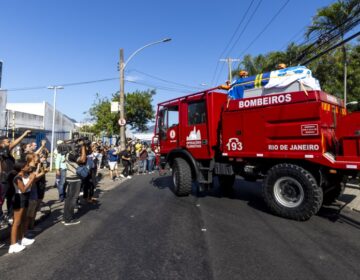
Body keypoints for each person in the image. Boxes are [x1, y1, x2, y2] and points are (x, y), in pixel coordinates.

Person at [0, 130, 31, 225]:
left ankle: (9, 216)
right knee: (1, 199)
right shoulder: (2, 151)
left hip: (11, 179)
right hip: (3, 180)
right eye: (7, 141)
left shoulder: (7, 153)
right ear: (1, 144)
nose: (9, 142)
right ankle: (1, 217)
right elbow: (13, 144)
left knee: (11, 198)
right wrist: (24, 134)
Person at [8, 160, 37, 253]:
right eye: (27, 165)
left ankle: (22, 239)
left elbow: (29, 186)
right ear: (22, 168)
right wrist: (32, 179)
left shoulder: (26, 175)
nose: (29, 166)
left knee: (23, 220)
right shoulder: (17, 178)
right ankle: (13, 245)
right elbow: (23, 189)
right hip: (19, 199)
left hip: (25, 198)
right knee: (16, 222)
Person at [60, 140, 86, 226]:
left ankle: (66, 217)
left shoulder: (68, 154)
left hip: (71, 178)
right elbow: (82, 160)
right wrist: (83, 147)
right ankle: (68, 219)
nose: (75, 146)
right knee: (72, 199)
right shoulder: (71, 155)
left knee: (69, 198)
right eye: (74, 144)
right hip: (74, 179)